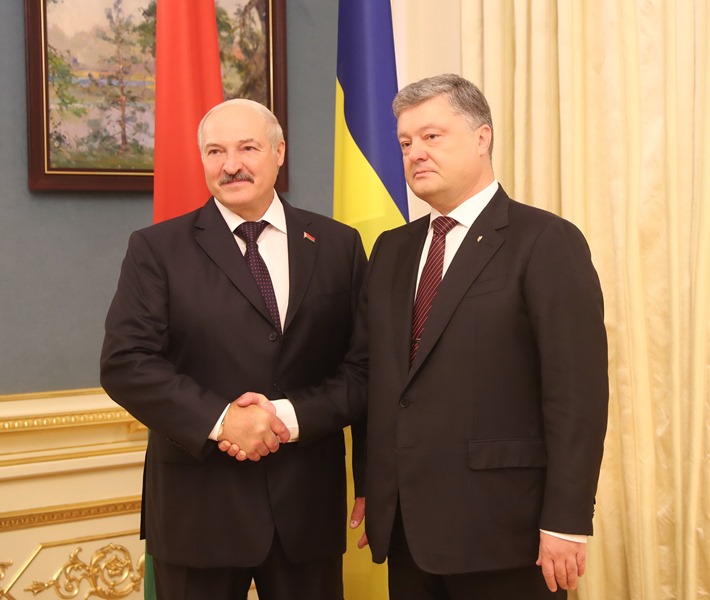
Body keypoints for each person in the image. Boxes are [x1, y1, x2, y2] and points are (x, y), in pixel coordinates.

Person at [348, 74, 609, 599]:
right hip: (406, 529)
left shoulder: (545, 240)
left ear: (482, 136)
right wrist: (373, 482)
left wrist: (566, 520)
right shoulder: (391, 250)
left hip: (506, 531)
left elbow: (577, 394)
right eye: (405, 142)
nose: (415, 153)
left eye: (431, 136)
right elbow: (375, 376)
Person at [100, 98, 367, 600]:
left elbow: (364, 368)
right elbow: (125, 364)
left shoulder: (338, 245)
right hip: (197, 512)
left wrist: (287, 417)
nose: (231, 165)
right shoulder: (156, 249)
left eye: (247, 148)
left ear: (279, 152)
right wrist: (224, 420)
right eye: (215, 151)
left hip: (306, 510)